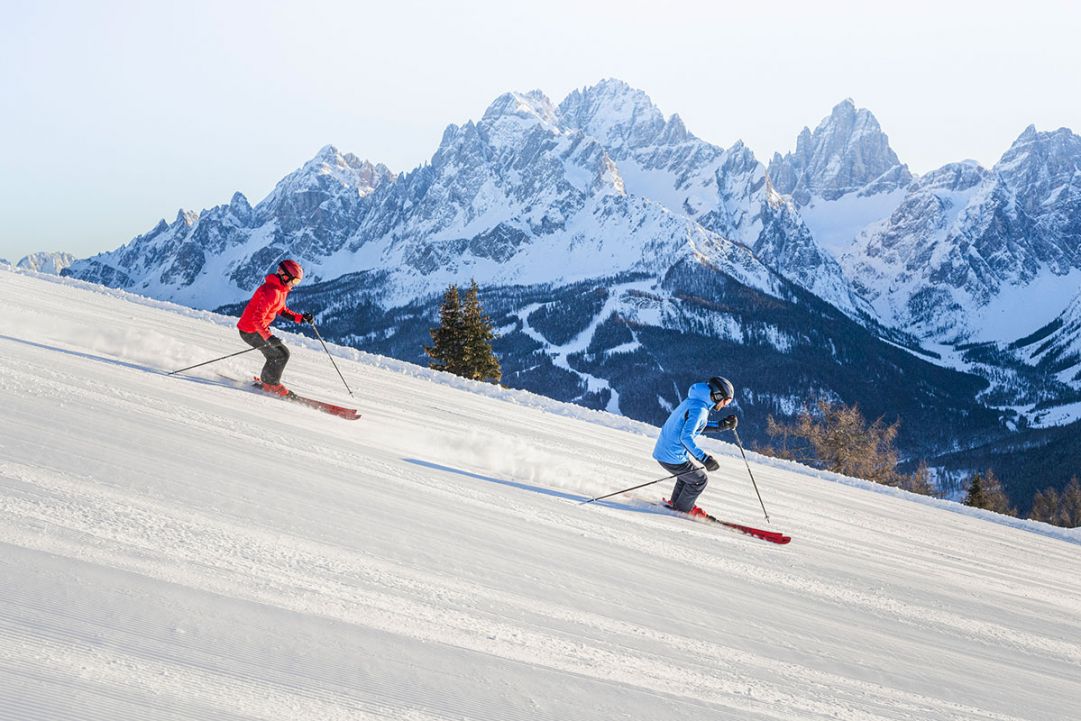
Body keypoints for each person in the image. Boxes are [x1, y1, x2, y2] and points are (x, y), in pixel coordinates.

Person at [652, 376, 738, 516]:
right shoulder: (699, 409)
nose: (725, 405)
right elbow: (686, 437)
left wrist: (720, 426)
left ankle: (678, 503)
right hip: (671, 454)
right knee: (700, 480)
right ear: (717, 395)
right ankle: (682, 510)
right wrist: (704, 458)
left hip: (666, 451)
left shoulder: (696, 402)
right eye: (726, 401)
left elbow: (694, 426)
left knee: (687, 475)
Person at [236, 259, 313, 395]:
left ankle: (268, 381)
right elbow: (256, 319)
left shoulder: (281, 289)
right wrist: (268, 337)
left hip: (257, 329)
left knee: (278, 353)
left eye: (297, 282)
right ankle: (270, 384)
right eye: (294, 281)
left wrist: (300, 318)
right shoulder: (272, 292)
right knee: (281, 354)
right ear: (285, 276)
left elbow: (281, 309)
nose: (295, 284)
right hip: (250, 331)